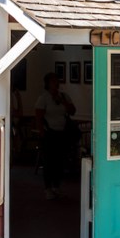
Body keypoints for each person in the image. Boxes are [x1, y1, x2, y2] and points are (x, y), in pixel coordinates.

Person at [35, 72, 76, 200]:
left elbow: (73, 111)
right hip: (49, 134)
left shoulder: (64, 96)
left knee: (60, 161)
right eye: (53, 81)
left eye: (57, 81)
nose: (56, 84)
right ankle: (47, 188)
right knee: (48, 162)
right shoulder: (44, 98)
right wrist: (41, 132)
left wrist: (63, 102)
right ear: (47, 83)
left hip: (62, 132)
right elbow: (39, 117)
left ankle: (56, 187)